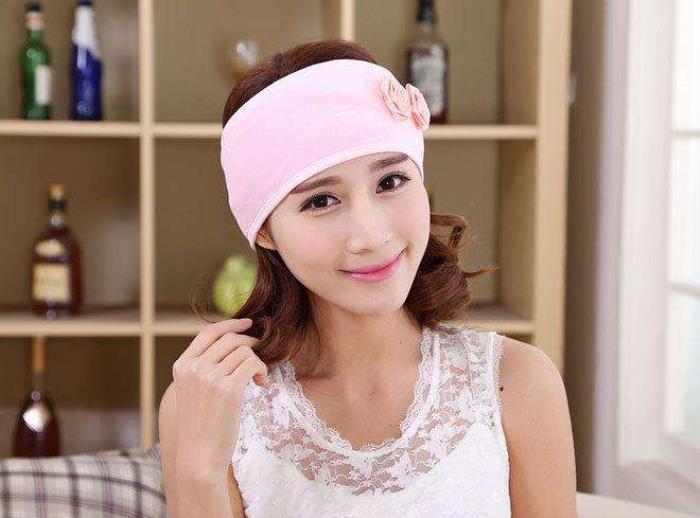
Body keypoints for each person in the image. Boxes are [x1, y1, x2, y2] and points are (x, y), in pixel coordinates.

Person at [158, 39, 578, 517]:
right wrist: (200, 467)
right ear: (266, 231)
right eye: (321, 201)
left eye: (390, 182)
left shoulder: (516, 383)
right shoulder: (210, 404)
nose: (371, 236)